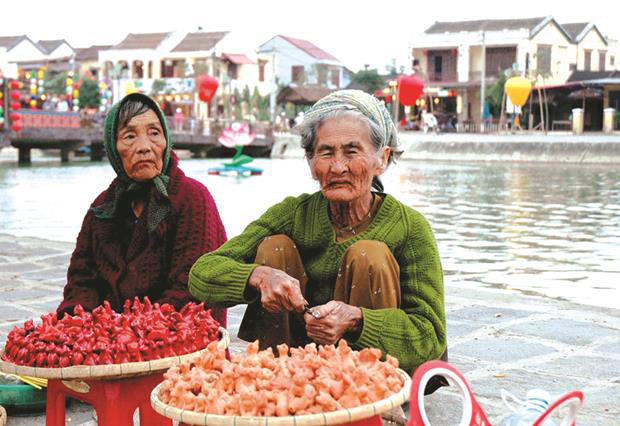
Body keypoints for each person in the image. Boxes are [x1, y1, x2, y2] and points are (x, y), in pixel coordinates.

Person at [189, 90, 446, 374]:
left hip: (373, 375)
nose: (338, 166)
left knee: (369, 255)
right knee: (275, 248)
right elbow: (202, 274)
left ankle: (370, 393)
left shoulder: (410, 227)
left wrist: (358, 320)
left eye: (352, 151)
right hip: (297, 366)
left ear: (381, 159)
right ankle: (278, 378)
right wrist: (259, 277)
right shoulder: (293, 214)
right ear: (312, 164)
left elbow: (430, 337)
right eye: (326, 152)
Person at [57, 93, 227, 327]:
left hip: (177, 340)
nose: (144, 147)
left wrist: (129, 331)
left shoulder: (192, 198)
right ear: (113, 149)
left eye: (154, 133)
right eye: (129, 136)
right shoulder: (102, 208)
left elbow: (191, 290)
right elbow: (81, 283)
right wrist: (78, 324)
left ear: (166, 140)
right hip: (113, 344)